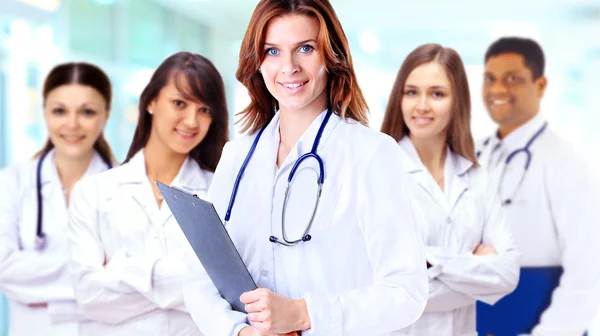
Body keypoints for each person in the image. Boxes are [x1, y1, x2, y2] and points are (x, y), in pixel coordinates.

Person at [182, 1, 429, 335]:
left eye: (306, 48)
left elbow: (406, 292)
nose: (289, 67)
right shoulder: (236, 157)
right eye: (272, 51)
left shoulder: (370, 153)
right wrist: (239, 331)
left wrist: (304, 314)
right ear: (257, 62)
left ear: (332, 56)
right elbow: (200, 278)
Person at [67, 52, 229, 335]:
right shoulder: (93, 192)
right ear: (151, 101)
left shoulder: (223, 193)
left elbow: (228, 291)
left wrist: (123, 270)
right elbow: (90, 296)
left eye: (205, 110)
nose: (192, 121)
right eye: (179, 103)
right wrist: (193, 289)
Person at [380, 43, 520, 336]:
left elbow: (508, 274)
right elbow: (383, 291)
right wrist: (475, 271)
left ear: (457, 101)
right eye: (412, 92)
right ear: (399, 98)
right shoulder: (379, 174)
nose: (422, 106)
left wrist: (430, 262)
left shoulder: (477, 178)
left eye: (437, 93)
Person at [475, 36, 600, 335]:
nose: (498, 90)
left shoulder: (567, 164)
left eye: (512, 79)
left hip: (538, 323)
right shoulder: (473, 155)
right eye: (490, 79)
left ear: (541, 86)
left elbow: (588, 270)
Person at [0, 62, 116, 335]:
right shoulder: (11, 182)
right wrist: (94, 272)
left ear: (106, 115)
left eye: (87, 112)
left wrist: (40, 288)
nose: (72, 124)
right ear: (44, 114)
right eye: (59, 111)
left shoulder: (126, 186)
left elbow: (134, 285)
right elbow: (4, 268)